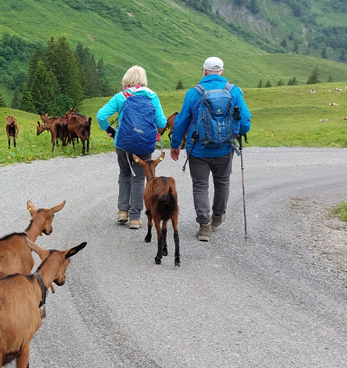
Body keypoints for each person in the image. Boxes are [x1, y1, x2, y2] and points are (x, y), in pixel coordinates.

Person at [169, 56, 252, 242]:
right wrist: (236, 133)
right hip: (224, 148)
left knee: (200, 185)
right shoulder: (234, 91)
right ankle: (217, 217)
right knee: (222, 183)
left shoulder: (194, 93)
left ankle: (204, 227)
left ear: (204, 71)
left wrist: (175, 145)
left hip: (198, 149)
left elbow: (181, 121)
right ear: (222, 72)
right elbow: (245, 122)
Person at [96, 65, 167, 230]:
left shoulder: (121, 97)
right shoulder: (152, 96)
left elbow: (100, 116)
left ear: (126, 81)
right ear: (144, 81)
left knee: (124, 174)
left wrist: (110, 130)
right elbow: (162, 123)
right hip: (144, 145)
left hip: (123, 143)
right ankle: (135, 218)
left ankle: (122, 212)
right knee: (138, 178)